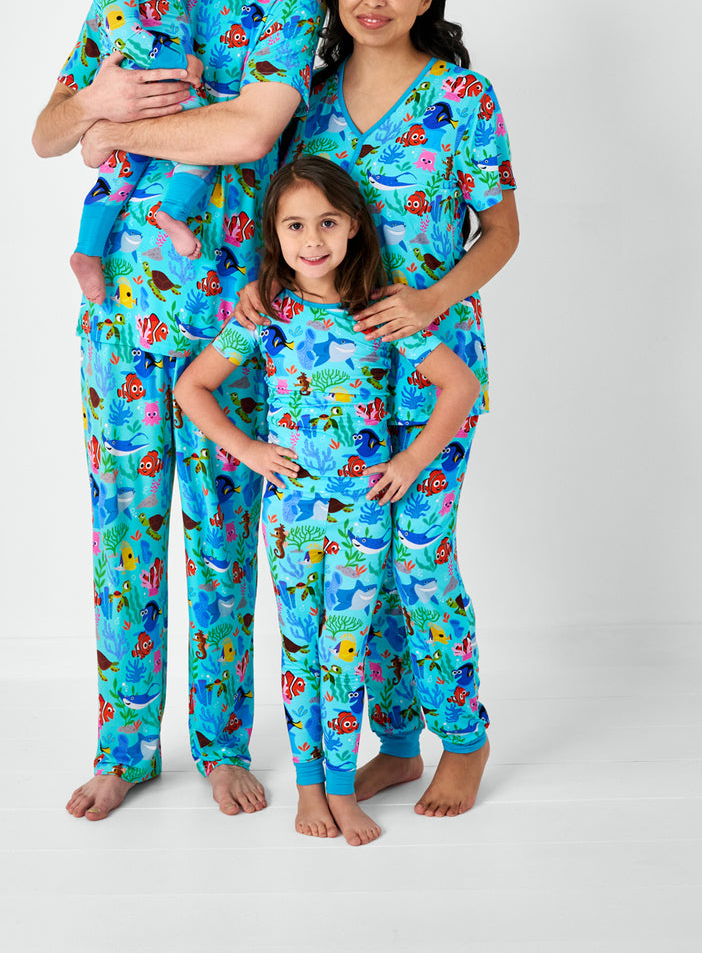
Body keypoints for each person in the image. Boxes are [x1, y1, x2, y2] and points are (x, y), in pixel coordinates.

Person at [32, 0, 323, 821]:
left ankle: (215, 743)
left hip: (233, 319)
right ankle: (123, 746)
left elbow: (248, 136)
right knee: (123, 528)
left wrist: (114, 134)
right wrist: (90, 108)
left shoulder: (289, 2)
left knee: (222, 529)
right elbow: (45, 128)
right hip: (119, 316)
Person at [240, 0, 519, 817]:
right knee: (359, 564)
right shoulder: (309, 99)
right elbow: (284, 219)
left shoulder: (463, 97)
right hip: (328, 381)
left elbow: (503, 230)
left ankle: (463, 740)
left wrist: (435, 299)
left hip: (433, 362)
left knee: (419, 561)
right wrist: (255, 294)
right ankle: (397, 745)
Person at [175, 158, 480, 845]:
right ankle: (310, 790)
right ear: (275, 235)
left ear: (353, 228)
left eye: (327, 222)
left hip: (361, 515)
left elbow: (458, 386)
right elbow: (193, 387)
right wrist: (249, 450)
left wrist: (408, 461)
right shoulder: (268, 314)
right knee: (299, 648)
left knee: (345, 649)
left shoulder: (379, 312)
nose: (312, 239)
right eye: (294, 225)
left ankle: (341, 790)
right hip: (289, 517)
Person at [64, 0, 214, 303]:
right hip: (149, 88)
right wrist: (179, 62)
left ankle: (151, 222)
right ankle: (102, 246)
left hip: (162, 92)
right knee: (187, 151)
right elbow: (126, 33)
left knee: (137, 170)